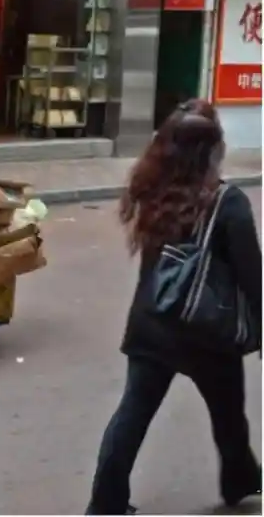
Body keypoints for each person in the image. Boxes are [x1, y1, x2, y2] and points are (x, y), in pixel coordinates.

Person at [86, 99, 262, 515]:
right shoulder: (227, 202)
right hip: (207, 330)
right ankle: (237, 479)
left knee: (132, 414)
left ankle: (105, 502)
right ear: (212, 149)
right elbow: (252, 274)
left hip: (153, 323)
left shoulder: (152, 193)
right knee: (228, 411)